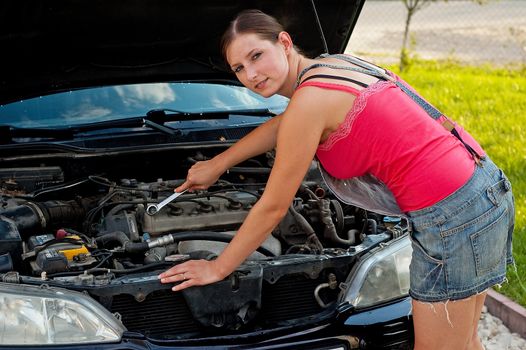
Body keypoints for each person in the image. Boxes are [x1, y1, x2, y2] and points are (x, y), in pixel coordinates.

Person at [159, 9, 514, 350]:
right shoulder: (331, 65)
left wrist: (218, 266)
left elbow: (273, 207)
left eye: (256, 55)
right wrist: (220, 162)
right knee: (463, 342)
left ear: (284, 42)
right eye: (239, 67)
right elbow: (284, 124)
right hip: (481, 188)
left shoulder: (308, 104)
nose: (250, 74)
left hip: (451, 216)